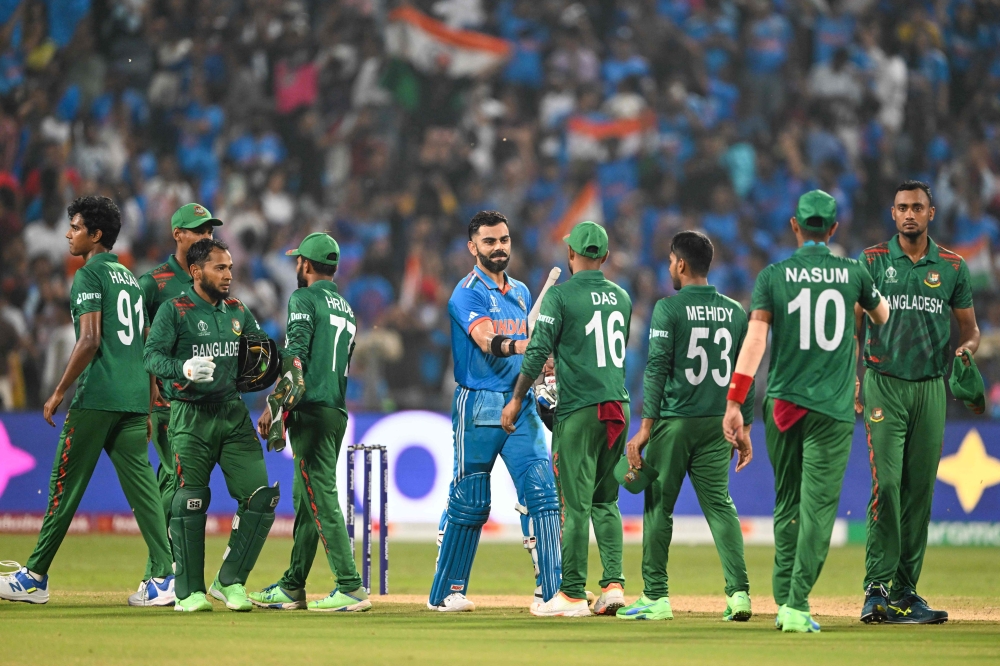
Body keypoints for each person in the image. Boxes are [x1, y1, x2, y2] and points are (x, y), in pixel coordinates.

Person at [722, 190, 889, 633]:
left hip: (781, 404)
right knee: (817, 508)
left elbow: (755, 342)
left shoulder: (773, 276)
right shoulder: (854, 272)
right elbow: (883, 316)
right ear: (834, 229)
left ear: (795, 226)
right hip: (831, 409)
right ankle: (797, 603)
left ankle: (782, 598)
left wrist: (736, 401)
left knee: (787, 501)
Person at [0, 196, 172, 605]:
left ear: (95, 235)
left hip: (98, 396)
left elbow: (90, 339)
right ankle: (165, 578)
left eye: (75, 227)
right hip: (132, 398)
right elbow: (144, 343)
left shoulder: (88, 276)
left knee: (64, 485)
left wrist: (59, 390)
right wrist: (148, 399)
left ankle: (34, 577)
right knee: (144, 490)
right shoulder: (130, 278)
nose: (68, 234)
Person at [143, 238, 288, 612]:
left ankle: (229, 582)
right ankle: (188, 593)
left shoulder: (239, 311)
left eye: (230, 268)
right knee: (191, 500)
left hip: (232, 413)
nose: (228, 275)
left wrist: (275, 393)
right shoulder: (175, 311)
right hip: (190, 415)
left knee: (261, 498)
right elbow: (151, 357)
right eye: (219, 268)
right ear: (196, 271)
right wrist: (182, 369)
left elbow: (262, 354)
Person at [857, 181, 979, 625]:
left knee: (919, 495)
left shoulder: (952, 266)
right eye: (903, 207)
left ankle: (906, 592)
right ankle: (876, 588)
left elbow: (970, 329)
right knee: (886, 486)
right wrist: (853, 380)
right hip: (884, 382)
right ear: (893, 214)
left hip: (931, 387)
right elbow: (854, 329)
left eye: (918, 207)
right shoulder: (870, 262)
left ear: (931, 213)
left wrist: (966, 350)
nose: (910, 214)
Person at [428, 210, 561, 613]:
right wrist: (526, 347)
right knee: (471, 502)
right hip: (479, 404)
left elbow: (527, 354)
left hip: (519, 402)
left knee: (543, 494)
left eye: (503, 240)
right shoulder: (465, 293)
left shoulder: (520, 291)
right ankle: (446, 593)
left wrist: (542, 365)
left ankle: (553, 594)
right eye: (489, 241)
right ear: (473, 247)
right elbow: (486, 340)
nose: (499, 247)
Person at [618, 230, 754, 622]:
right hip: (718, 424)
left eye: (670, 261)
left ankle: (656, 598)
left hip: (675, 422)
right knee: (721, 507)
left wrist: (645, 429)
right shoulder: (735, 311)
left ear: (680, 264)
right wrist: (741, 422)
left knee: (659, 506)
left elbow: (657, 368)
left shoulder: (668, 309)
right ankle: (740, 594)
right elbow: (747, 374)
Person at [503, 220, 632, 618]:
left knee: (574, 506)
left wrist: (516, 397)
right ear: (606, 257)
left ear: (571, 255)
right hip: (619, 406)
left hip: (580, 410)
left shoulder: (560, 298)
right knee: (605, 501)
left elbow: (539, 348)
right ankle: (613, 586)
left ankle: (572, 594)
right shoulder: (623, 298)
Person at [249, 233, 372, 613]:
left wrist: (276, 405)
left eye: (297, 261)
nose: (295, 266)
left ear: (305, 265)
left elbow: (296, 356)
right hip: (335, 409)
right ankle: (292, 586)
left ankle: (350, 586)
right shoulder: (347, 309)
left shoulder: (302, 298)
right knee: (307, 500)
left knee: (320, 497)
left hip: (311, 409)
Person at [131, 202, 220, 606]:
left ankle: (160, 577)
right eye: (199, 231)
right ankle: (160, 576)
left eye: (210, 231)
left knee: (171, 482)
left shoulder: (211, 277)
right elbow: (137, 343)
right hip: (165, 400)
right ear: (178, 235)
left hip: (203, 404)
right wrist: (145, 391)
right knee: (172, 480)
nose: (207, 237)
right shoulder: (154, 283)